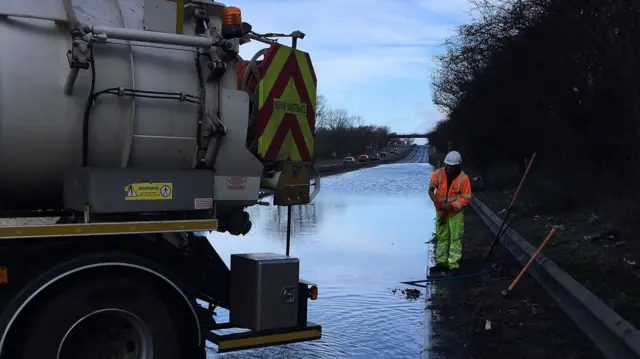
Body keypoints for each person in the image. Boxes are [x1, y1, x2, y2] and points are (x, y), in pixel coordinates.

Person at [428, 151, 472, 275]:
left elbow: (466, 198)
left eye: (451, 166)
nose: (448, 168)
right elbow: (431, 191)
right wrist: (439, 206)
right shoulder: (438, 173)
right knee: (441, 237)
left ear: (457, 166)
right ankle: (441, 263)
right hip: (441, 211)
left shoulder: (463, 179)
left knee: (455, 238)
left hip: (455, 213)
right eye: (447, 165)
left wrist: (451, 206)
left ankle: (453, 265)